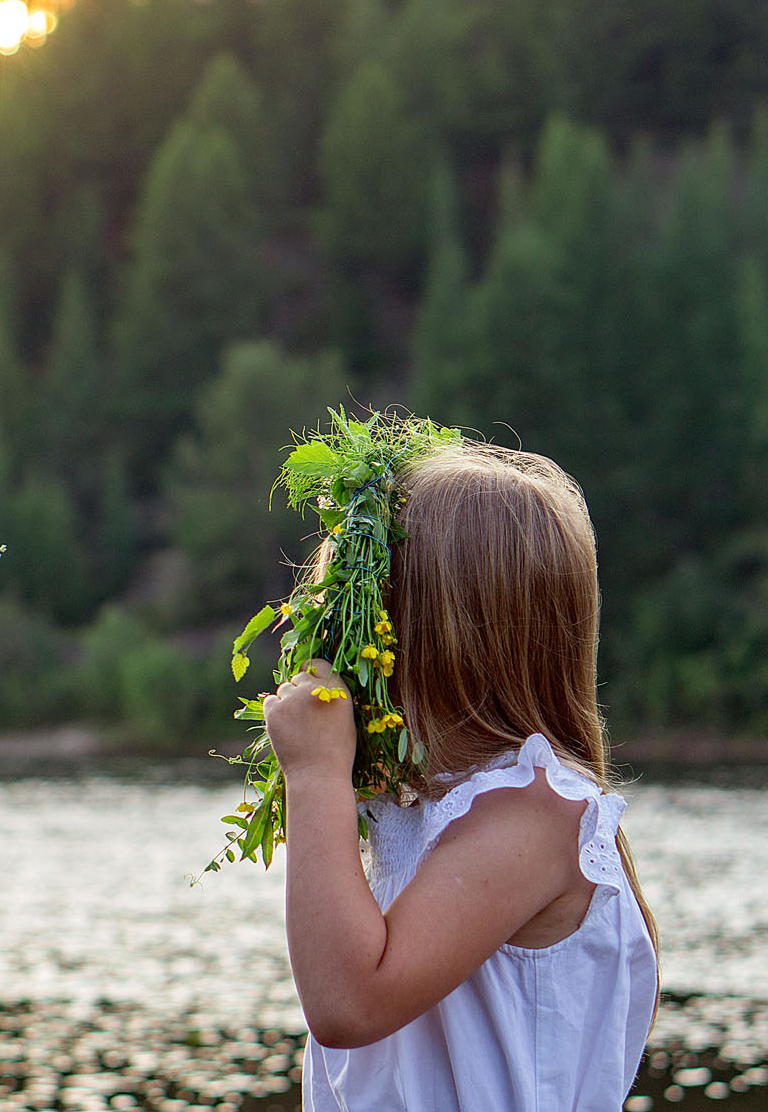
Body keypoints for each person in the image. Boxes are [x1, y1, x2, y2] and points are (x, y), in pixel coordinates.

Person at [261, 442, 659, 1110]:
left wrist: (316, 776)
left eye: (372, 609)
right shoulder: (440, 805)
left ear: (442, 635)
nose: (343, 644)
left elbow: (350, 1003)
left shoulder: (532, 815)